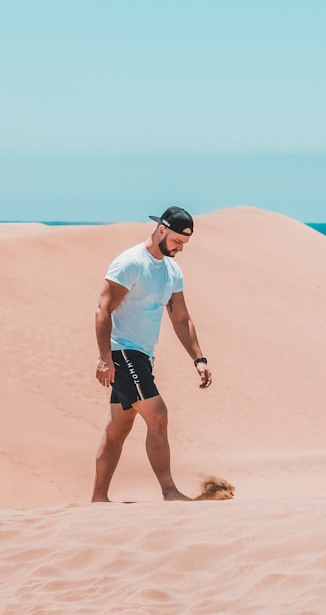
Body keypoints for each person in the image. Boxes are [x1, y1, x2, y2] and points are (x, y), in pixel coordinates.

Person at [91, 206, 213, 502]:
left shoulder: (171, 271)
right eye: (177, 241)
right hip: (123, 352)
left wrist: (199, 359)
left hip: (143, 356)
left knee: (119, 427)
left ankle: (98, 500)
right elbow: (103, 309)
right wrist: (105, 357)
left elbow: (181, 318)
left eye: (184, 244)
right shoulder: (130, 263)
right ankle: (170, 492)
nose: (180, 249)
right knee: (158, 415)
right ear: (162, 229)